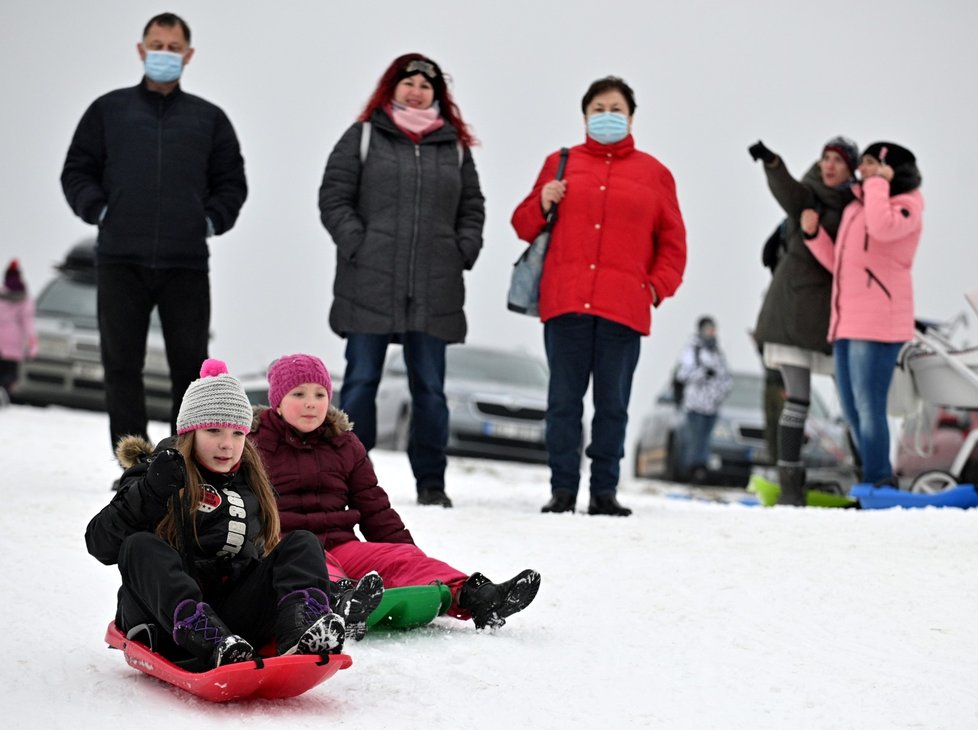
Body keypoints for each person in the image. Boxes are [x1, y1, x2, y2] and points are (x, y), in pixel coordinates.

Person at [84, 359, 384, 670]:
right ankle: (208, 637)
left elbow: (254, 565)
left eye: (237, 434)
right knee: (140, 546)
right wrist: (150, 491)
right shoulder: (157, 473)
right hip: (164, 623)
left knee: (301, 543)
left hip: (233, 629)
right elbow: (100, 545)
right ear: (190, 433)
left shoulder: (250, 483)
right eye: (214, 430)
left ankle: (300, 632)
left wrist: (327, 589)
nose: (227, 445)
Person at [60, 13, 247, 454]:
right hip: (121, 258)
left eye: (173, 47)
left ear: (189, 54)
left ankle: (184, 461)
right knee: (122, 365)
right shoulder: (108, 111)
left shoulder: (209, 119)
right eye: (157, 45)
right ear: (141, 50)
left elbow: (232, 184)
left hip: (185, 263)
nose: (165, 53)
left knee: (190, 369)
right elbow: (77, 170)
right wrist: (100, 210)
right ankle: (134, 466)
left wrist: (208, 221)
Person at [249, 354, 541, 631]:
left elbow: (375, 508)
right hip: (286, 549)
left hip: (341, 545)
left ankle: (477, 597)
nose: (311, 403)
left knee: (401, 557)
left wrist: (409, 555)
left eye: (319, 394)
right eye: (298, 394)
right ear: (277, 401)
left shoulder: (345, 445)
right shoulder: (253, 445)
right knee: (312, 566)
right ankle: (342, 601)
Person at [511, 76, 687, 516]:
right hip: (565, 303)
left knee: (613, 406)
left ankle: (604, 492)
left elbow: (673, 244)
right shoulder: (560, 162)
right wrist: (543, 201)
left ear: (631, 117)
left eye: (617, 110)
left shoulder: (655, 174)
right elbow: (522, 226)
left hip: (623, 309)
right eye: (599, 109)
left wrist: (654, 287)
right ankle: (563, 490)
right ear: (585, 115)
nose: (608, 117)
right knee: (564, 404)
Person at [318, 54, 485, 509]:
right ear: (390, 88)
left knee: (429, 390)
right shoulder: (365, 136)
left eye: (425, 85)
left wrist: (461, 251)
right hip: (368, 284)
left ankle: (432, 483)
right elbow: (333, 197)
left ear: (438, 95)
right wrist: (359, 244)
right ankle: (344, 483)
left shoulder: (454, 148)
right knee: (361, 382)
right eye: (407, 82)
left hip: (435, 290)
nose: (416, 90)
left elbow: (472, 208)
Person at [802, 142, 923, 487]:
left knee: (870, 409)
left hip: (878, 325)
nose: (865, 170)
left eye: (873, 164)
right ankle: (871, 480)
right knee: (854, 412)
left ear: (892, 171)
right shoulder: (861, 204)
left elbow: (882, 229)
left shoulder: (905, 208)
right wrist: (814, 236)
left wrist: (877, 184)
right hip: (847, 323)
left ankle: (879, 481)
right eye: (865, 164)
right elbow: (842, 265)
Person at [748, 136, 858, 504]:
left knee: (851, 399)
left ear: (850, 168)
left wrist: (816, 233)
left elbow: (846, 263)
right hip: (792, 312)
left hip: (831, 319)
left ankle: (864, 473)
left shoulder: (854, 208)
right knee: (798, 399)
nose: (829, 165)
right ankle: (790, 483)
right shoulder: (806, 197)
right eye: (825, 157)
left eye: (838, 161)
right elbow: (788, 190)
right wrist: (773, 163)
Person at [674, 317, 733, 483]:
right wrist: (702, 373)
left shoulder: (717, 352)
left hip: (712, 406)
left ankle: (701, 471)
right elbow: (682, 374)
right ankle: (689, 471)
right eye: (708, 329)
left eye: (713, 329)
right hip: (695, 405)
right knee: (694, 439)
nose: (712, 332)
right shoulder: (692, 350)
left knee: (705, 441)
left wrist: (721, 393)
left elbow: (726, 377)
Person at [0, 260, 37, 400]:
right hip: (14, 342)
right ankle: (5, 393)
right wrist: (32, 346)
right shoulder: (25, 299)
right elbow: (28, 324)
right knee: (10, 373)